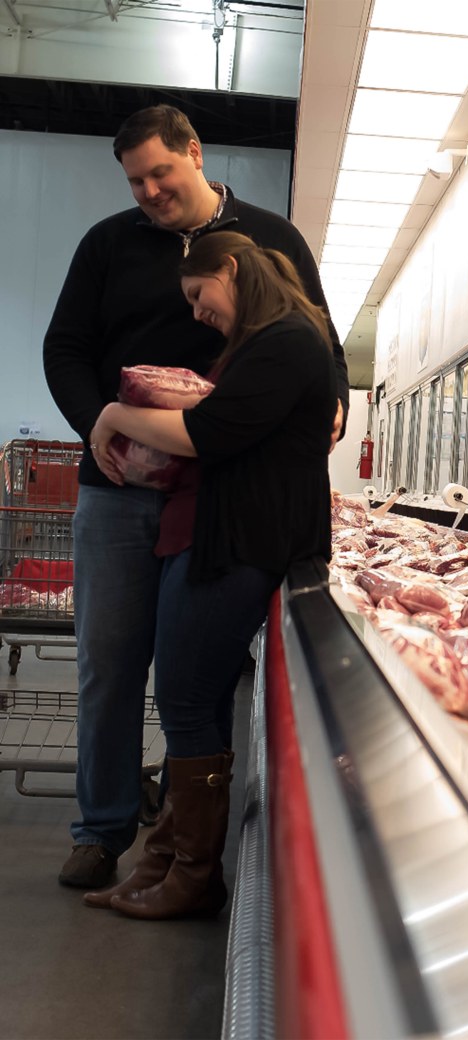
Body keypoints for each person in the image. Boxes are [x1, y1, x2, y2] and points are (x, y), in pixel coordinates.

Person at [43, 105, 349, 890]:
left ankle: (185, 846)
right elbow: (66, 348)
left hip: (217, 494)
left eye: (160, 173)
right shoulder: (108, 245)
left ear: (195, 154)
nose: (148, 191)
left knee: (192, 673)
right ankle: (103, 830)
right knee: (110, 664)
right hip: (118, 489)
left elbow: (323, 336)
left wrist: (334, 402)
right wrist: (98, 431)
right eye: (136, 180)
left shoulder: (271, 239)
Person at [80, 230, 336, 919]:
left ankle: (193, 874)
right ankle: (164, 861)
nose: (196, 313)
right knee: (193, 700)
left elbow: (210, 435)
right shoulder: (269, 342)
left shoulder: (286, 340)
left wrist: (112, 415)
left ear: (229, 269)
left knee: (187, 700)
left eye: (199, 295)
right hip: (226, 535)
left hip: (237, 541)